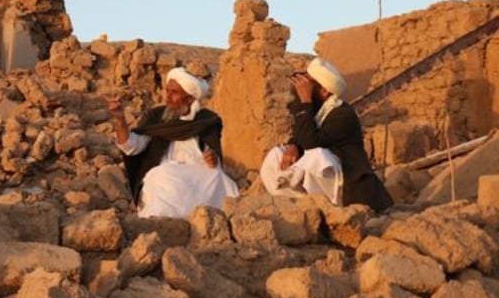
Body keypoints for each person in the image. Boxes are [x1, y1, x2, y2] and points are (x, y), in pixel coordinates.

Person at [260, 57, 393, 212]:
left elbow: (311, 142)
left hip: (348, 181)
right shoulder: (316, 108)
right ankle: (300, 204)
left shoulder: (343, 113)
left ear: (324, 90)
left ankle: (327, 208)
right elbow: (301, 132)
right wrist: (292, 145)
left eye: (309, 85)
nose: (303, 87)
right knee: (276, 154)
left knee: (316, 156)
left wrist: (305, 100)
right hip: (323, 177)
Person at [108, 67, 239, 218]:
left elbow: (213, 154)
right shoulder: (156, 116)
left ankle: (208, 219)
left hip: (197, 173)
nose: (167, 97)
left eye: (174, 92)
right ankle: (163, 221)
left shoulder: (206, 120)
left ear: (189, 98)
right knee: (166, 177)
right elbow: (130, 147)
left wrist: (213, 159)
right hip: (167, 172)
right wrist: (120, 119)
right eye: (167, 91)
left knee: (220, 179)